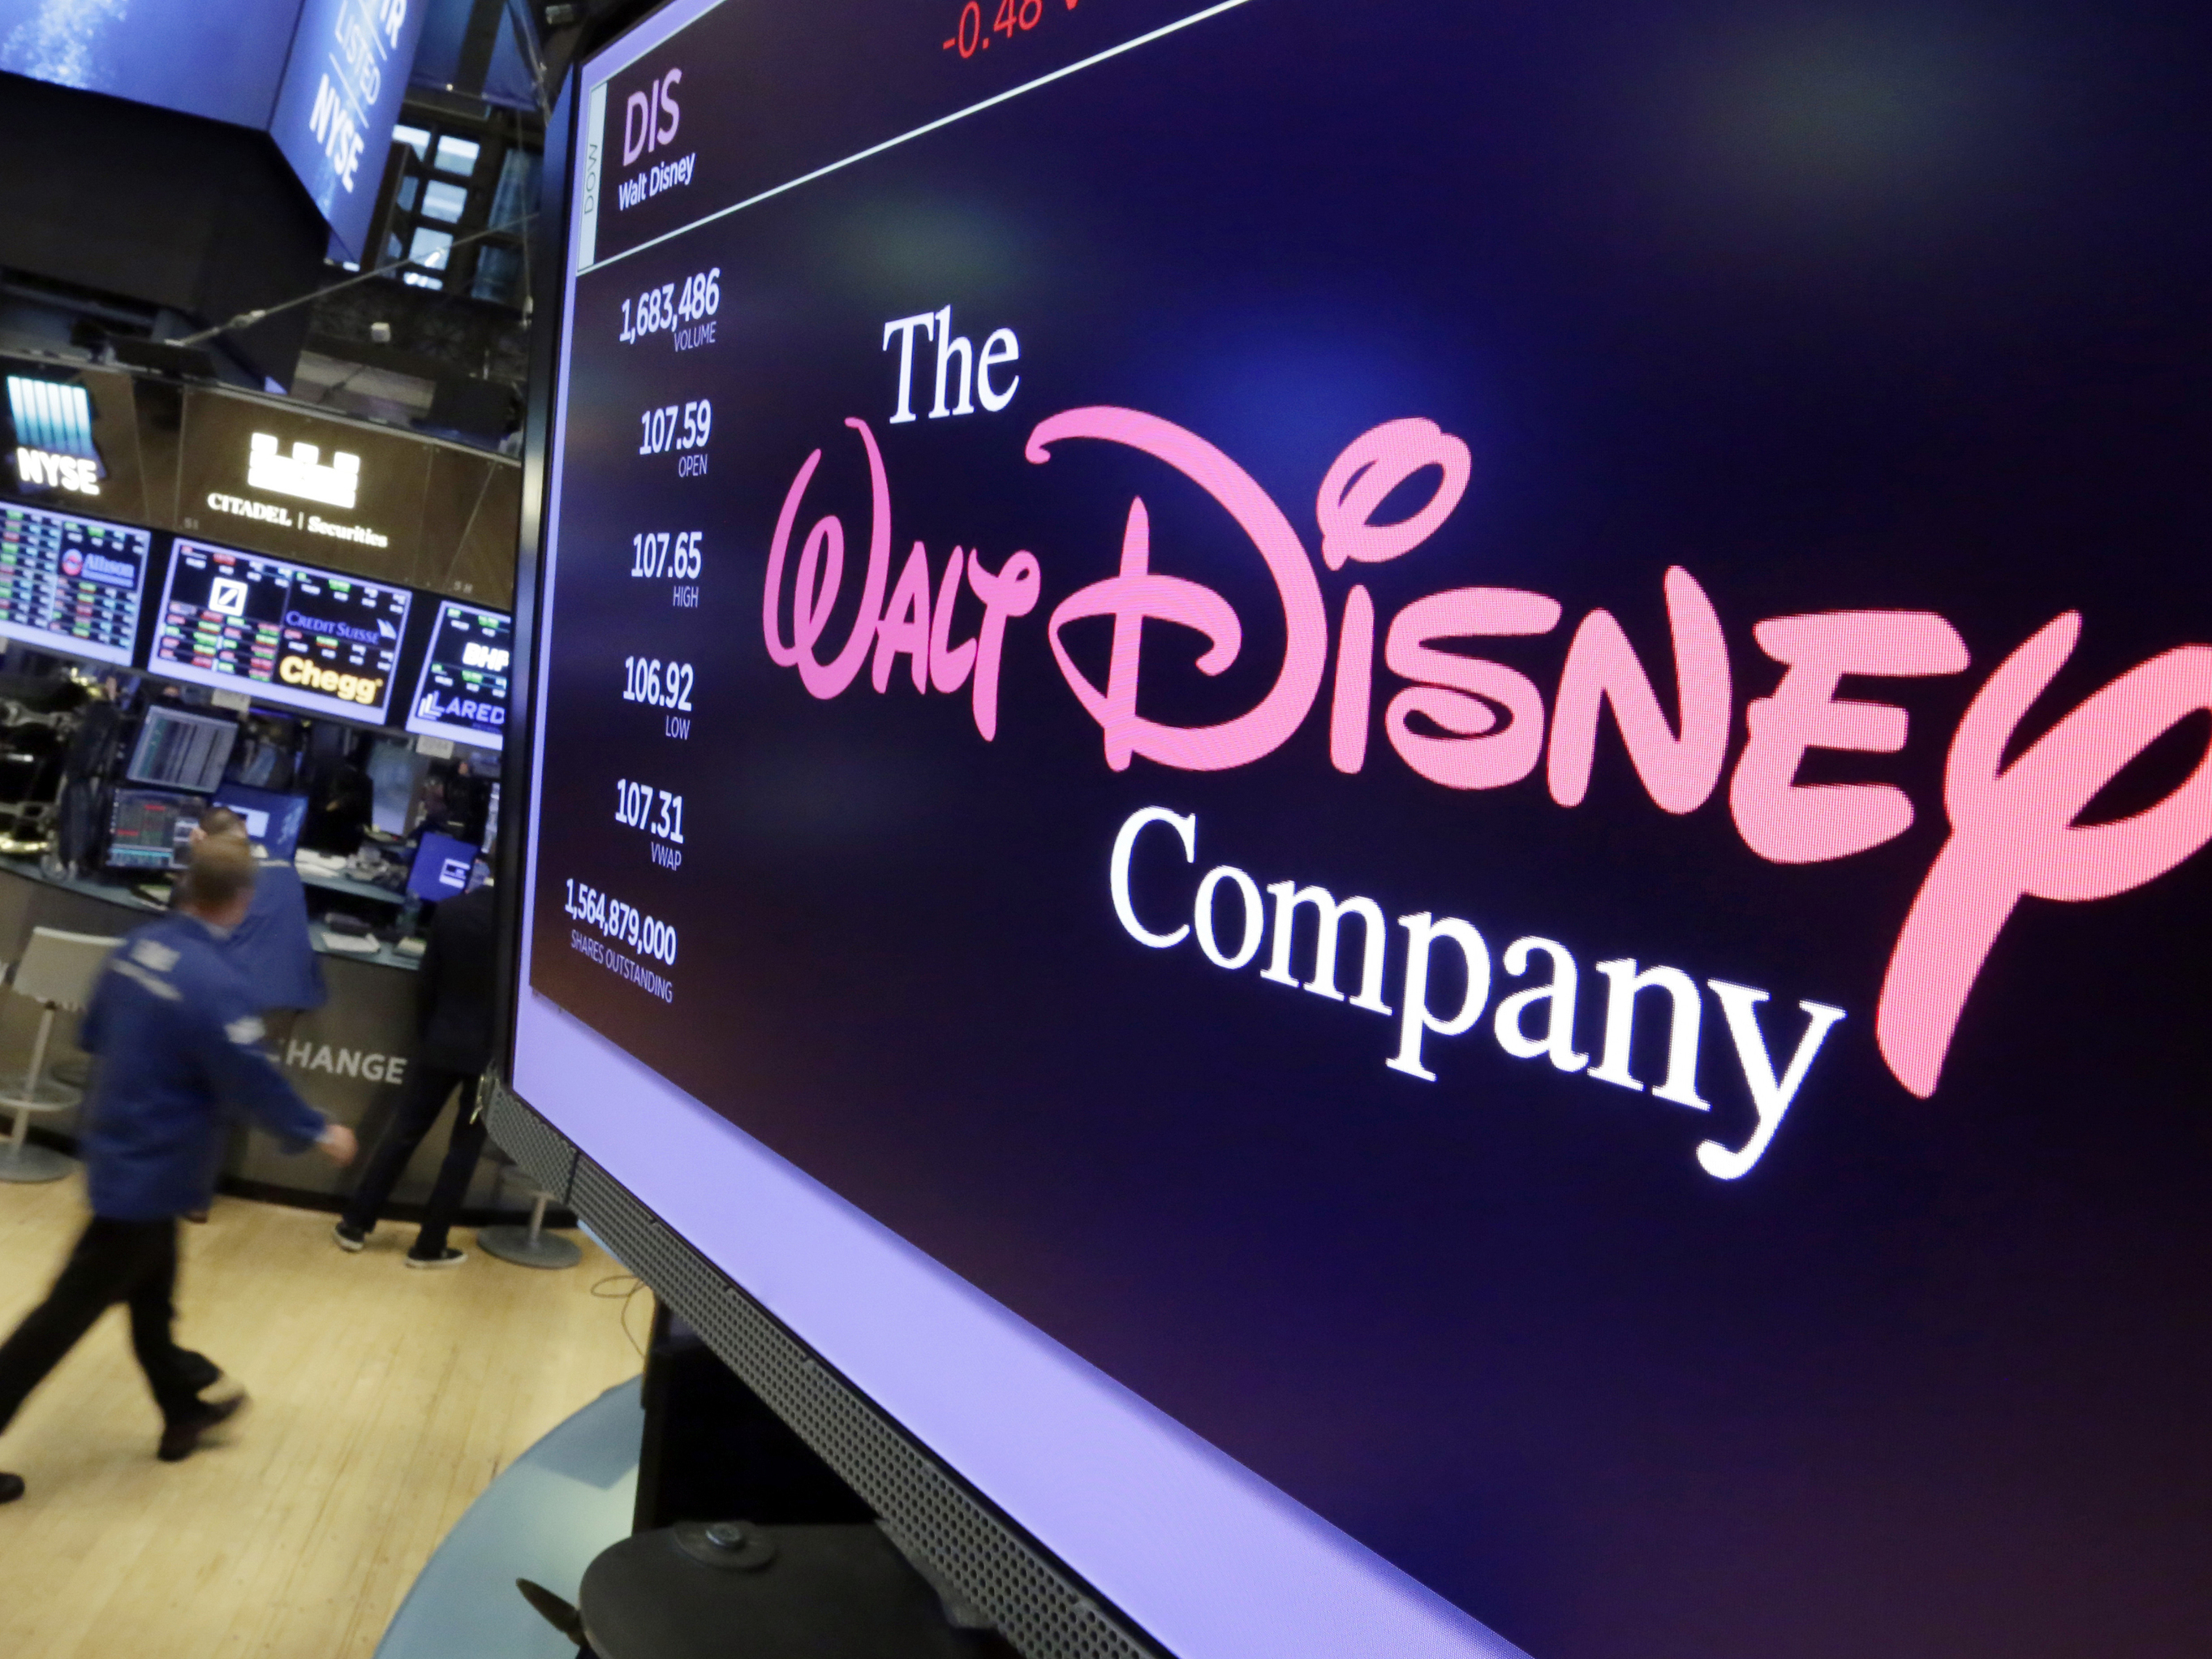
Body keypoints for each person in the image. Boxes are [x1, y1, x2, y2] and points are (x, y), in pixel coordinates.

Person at [0, 838, 358, 1506]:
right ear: (243, 903)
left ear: (187, 887)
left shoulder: (135, 950)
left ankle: (182, 1410)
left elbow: (94, 1035)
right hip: (155, 1175)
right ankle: (178, 1400)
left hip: (114, 1153)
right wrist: (318, 1129)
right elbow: (252, 1081)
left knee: (152, 1302)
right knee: (61, 1318)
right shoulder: (218, 985)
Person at [332, 876, 497, 1268]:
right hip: (489, 1058)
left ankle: (355, 1223)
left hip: (439, 1041)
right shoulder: (522, 927)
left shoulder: (451, 911)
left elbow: (428, 982)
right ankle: (429, 1246)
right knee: (463, 1150)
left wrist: (428, 1033)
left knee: (403, 1131)